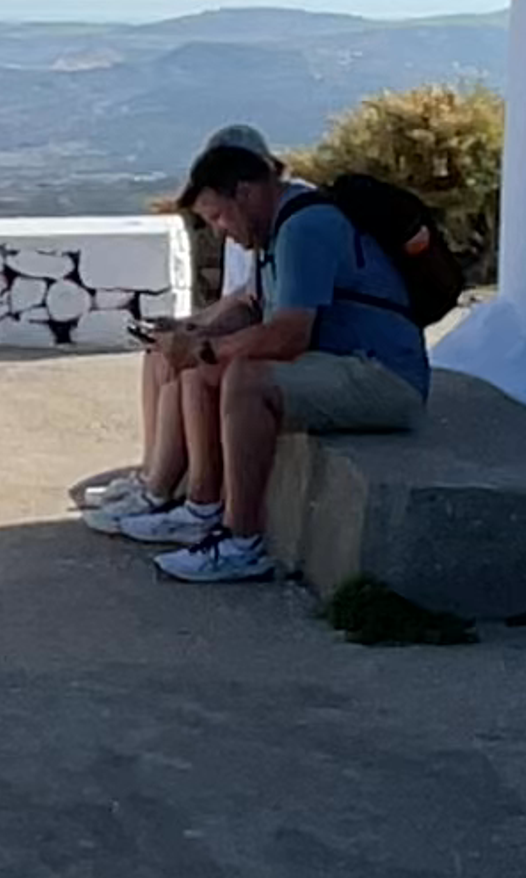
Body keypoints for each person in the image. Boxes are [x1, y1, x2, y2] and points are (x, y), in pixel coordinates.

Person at [89, 130, 431, 585]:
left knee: (246, 381)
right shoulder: (276, 229)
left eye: (218, 216)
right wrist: (195, 337)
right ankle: (200, 508)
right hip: (344, 362)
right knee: (206, 368)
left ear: (245, 193)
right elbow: (256, 309)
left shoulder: (304, 228)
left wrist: (205, 346)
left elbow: (288, 335)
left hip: (385, 377)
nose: (219, 230)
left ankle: (243, 543)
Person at [72, 137, 270, 528]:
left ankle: (172, 494)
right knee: (159, 353)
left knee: (192, 368)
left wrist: (199, 335)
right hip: (244, 325)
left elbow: (254, 306)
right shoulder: (248, 224)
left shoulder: (270, 224)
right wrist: (186, 326)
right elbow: (240, 296)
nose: (217, 230)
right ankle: (152, 473)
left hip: (260, 338)